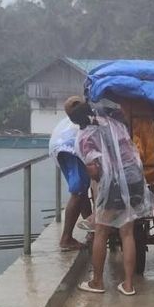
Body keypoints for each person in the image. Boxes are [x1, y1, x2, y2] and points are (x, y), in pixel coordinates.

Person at [69, 99, 154, 296]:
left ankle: (97, 282)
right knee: (127, 232)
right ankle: (128, 285)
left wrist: (101, 181)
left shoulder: (84, 137)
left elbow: (94, 170)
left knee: (101, 231)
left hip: (113, 183)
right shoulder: (115, 123)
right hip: (134, 178)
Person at [50, 97, 95, 251]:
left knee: (81, 189)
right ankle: (66, 238)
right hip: (70, 150)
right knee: (78, 191)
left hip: (61, 149)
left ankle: (91, 230)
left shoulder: (69, 120)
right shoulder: (83, 119)